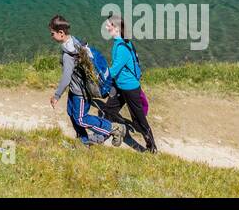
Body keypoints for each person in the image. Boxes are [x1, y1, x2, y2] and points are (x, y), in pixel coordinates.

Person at [49, 15, 124, 147]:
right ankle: (83, 142)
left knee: (81, 119)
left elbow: (66, 78)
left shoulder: (68, 54)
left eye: (52, 33)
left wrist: (57, 95)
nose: (51, 36)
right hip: (75, 90)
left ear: (61, 33)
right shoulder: (74, 42)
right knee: (71, 113)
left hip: (81, 93)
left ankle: (113, 128)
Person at [102, 13, 158, 153]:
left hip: (130, 88)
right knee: (109, 110)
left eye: (109, 24)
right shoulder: (122, 42)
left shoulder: (121, 48)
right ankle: (112, 132)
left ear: (115, 28)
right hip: (120, 85)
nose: (106, 26)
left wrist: (99, 73)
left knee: (139, 120)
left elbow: (113, 71)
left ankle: (152, 147)